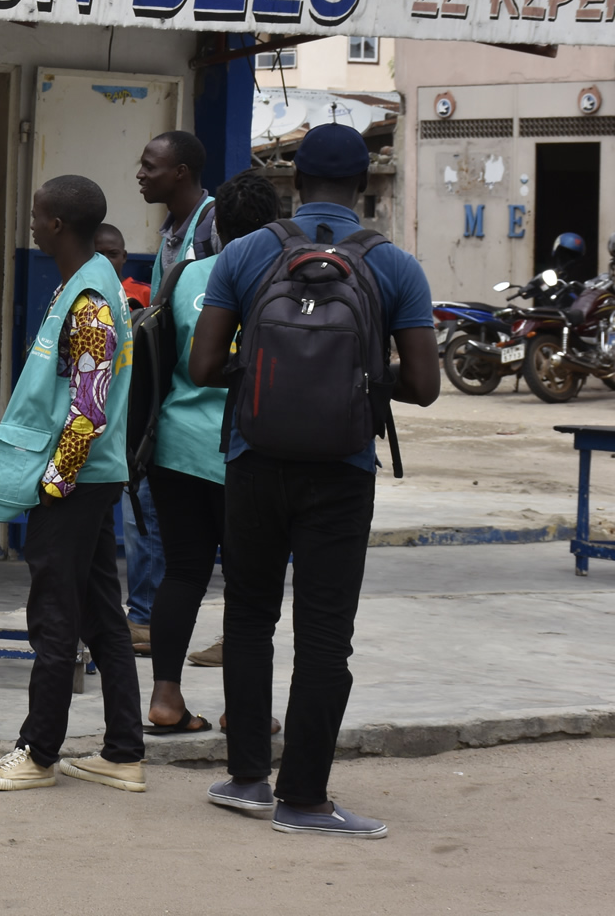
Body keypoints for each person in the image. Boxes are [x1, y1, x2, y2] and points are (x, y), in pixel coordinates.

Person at [189, 124, 438, 837]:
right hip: (342, 470)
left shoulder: (244, 253)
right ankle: (303, 799)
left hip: (252, 459)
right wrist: (361, 378)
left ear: (294, 180)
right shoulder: (394, 266)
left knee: (248, 614)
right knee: (326, 634)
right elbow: (425, 384)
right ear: (364, 185)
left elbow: (202, 367)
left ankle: (244, 779)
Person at [0, 175, 143, 793]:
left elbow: (90, 405)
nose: (33, 224)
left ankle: (38, 752)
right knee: (101, 614)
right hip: (91, 478)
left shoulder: (92, 297)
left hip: (77, 480)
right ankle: (123, 752)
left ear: (59, 227)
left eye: (38, 216)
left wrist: (54, 480)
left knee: (52, 615)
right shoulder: (84, 282)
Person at [144, 171, 281, 737]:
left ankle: (166, 699)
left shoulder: (184, 276)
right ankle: (242, 709)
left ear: (216, 223)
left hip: (176, 446)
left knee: (183, 573)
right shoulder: (281, 281)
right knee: (250, 585)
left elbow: (161, 360)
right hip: (246, 449)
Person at [96, 220, 160, 654]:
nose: (108, 261)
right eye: (100, 253)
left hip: (135, 430)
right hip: (99, 431)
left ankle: (143, 617)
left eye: (115, 253)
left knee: (142, 524)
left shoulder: (142, 298)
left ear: (125, 258)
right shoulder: (81, 297)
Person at [136, 130, 218, 275]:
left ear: (180, 172)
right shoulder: (171, 230)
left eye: (149, 167)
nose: (140, 175)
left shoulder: (216, 224)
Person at [95, 224, 150, 308]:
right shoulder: (80, 293)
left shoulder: (145, 292)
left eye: (113, 254)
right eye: (98, 255)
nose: (105, 261)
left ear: (124, 256)